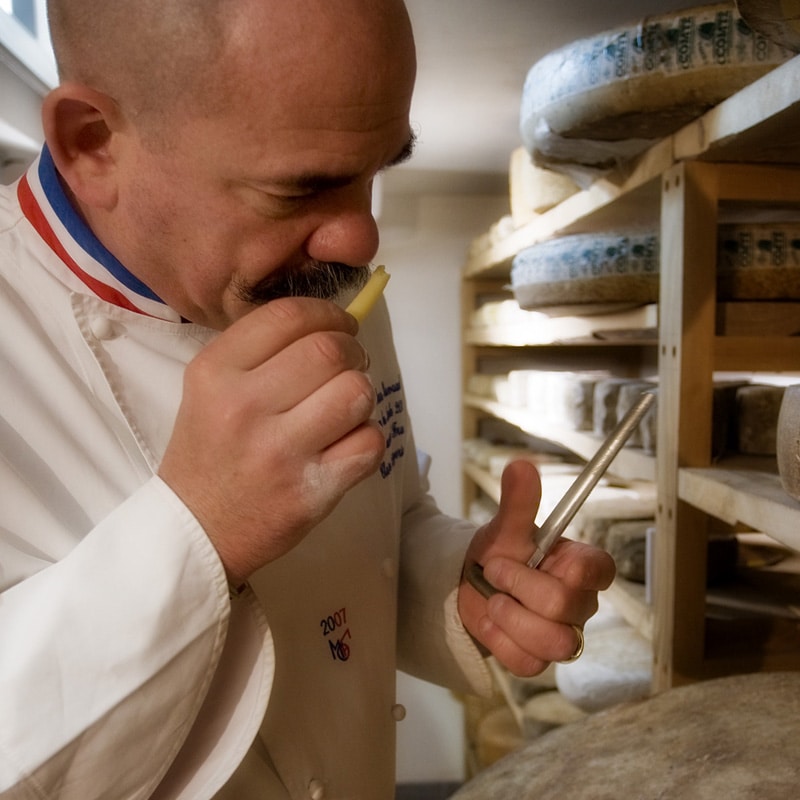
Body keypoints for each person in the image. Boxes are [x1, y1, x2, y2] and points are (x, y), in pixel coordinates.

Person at [0, 0, 615, 797]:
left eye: (378, 171)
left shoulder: (315, 276)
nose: (360, 240)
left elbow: (385, 527)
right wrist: (202, 527)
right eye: (298, 191)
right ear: (93, 144)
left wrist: (470, 585)